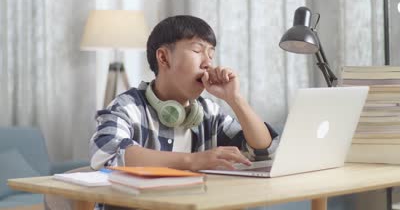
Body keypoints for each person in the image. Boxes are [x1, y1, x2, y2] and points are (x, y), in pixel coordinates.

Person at [89, 15, 279, 172]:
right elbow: (105, 152)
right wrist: (193, 161)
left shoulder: (209, 112)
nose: (207, 63)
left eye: (211, 54)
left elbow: (264, 152)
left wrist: (235, 99)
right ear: (163, 58)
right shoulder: (128, 107)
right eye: (197, 50)